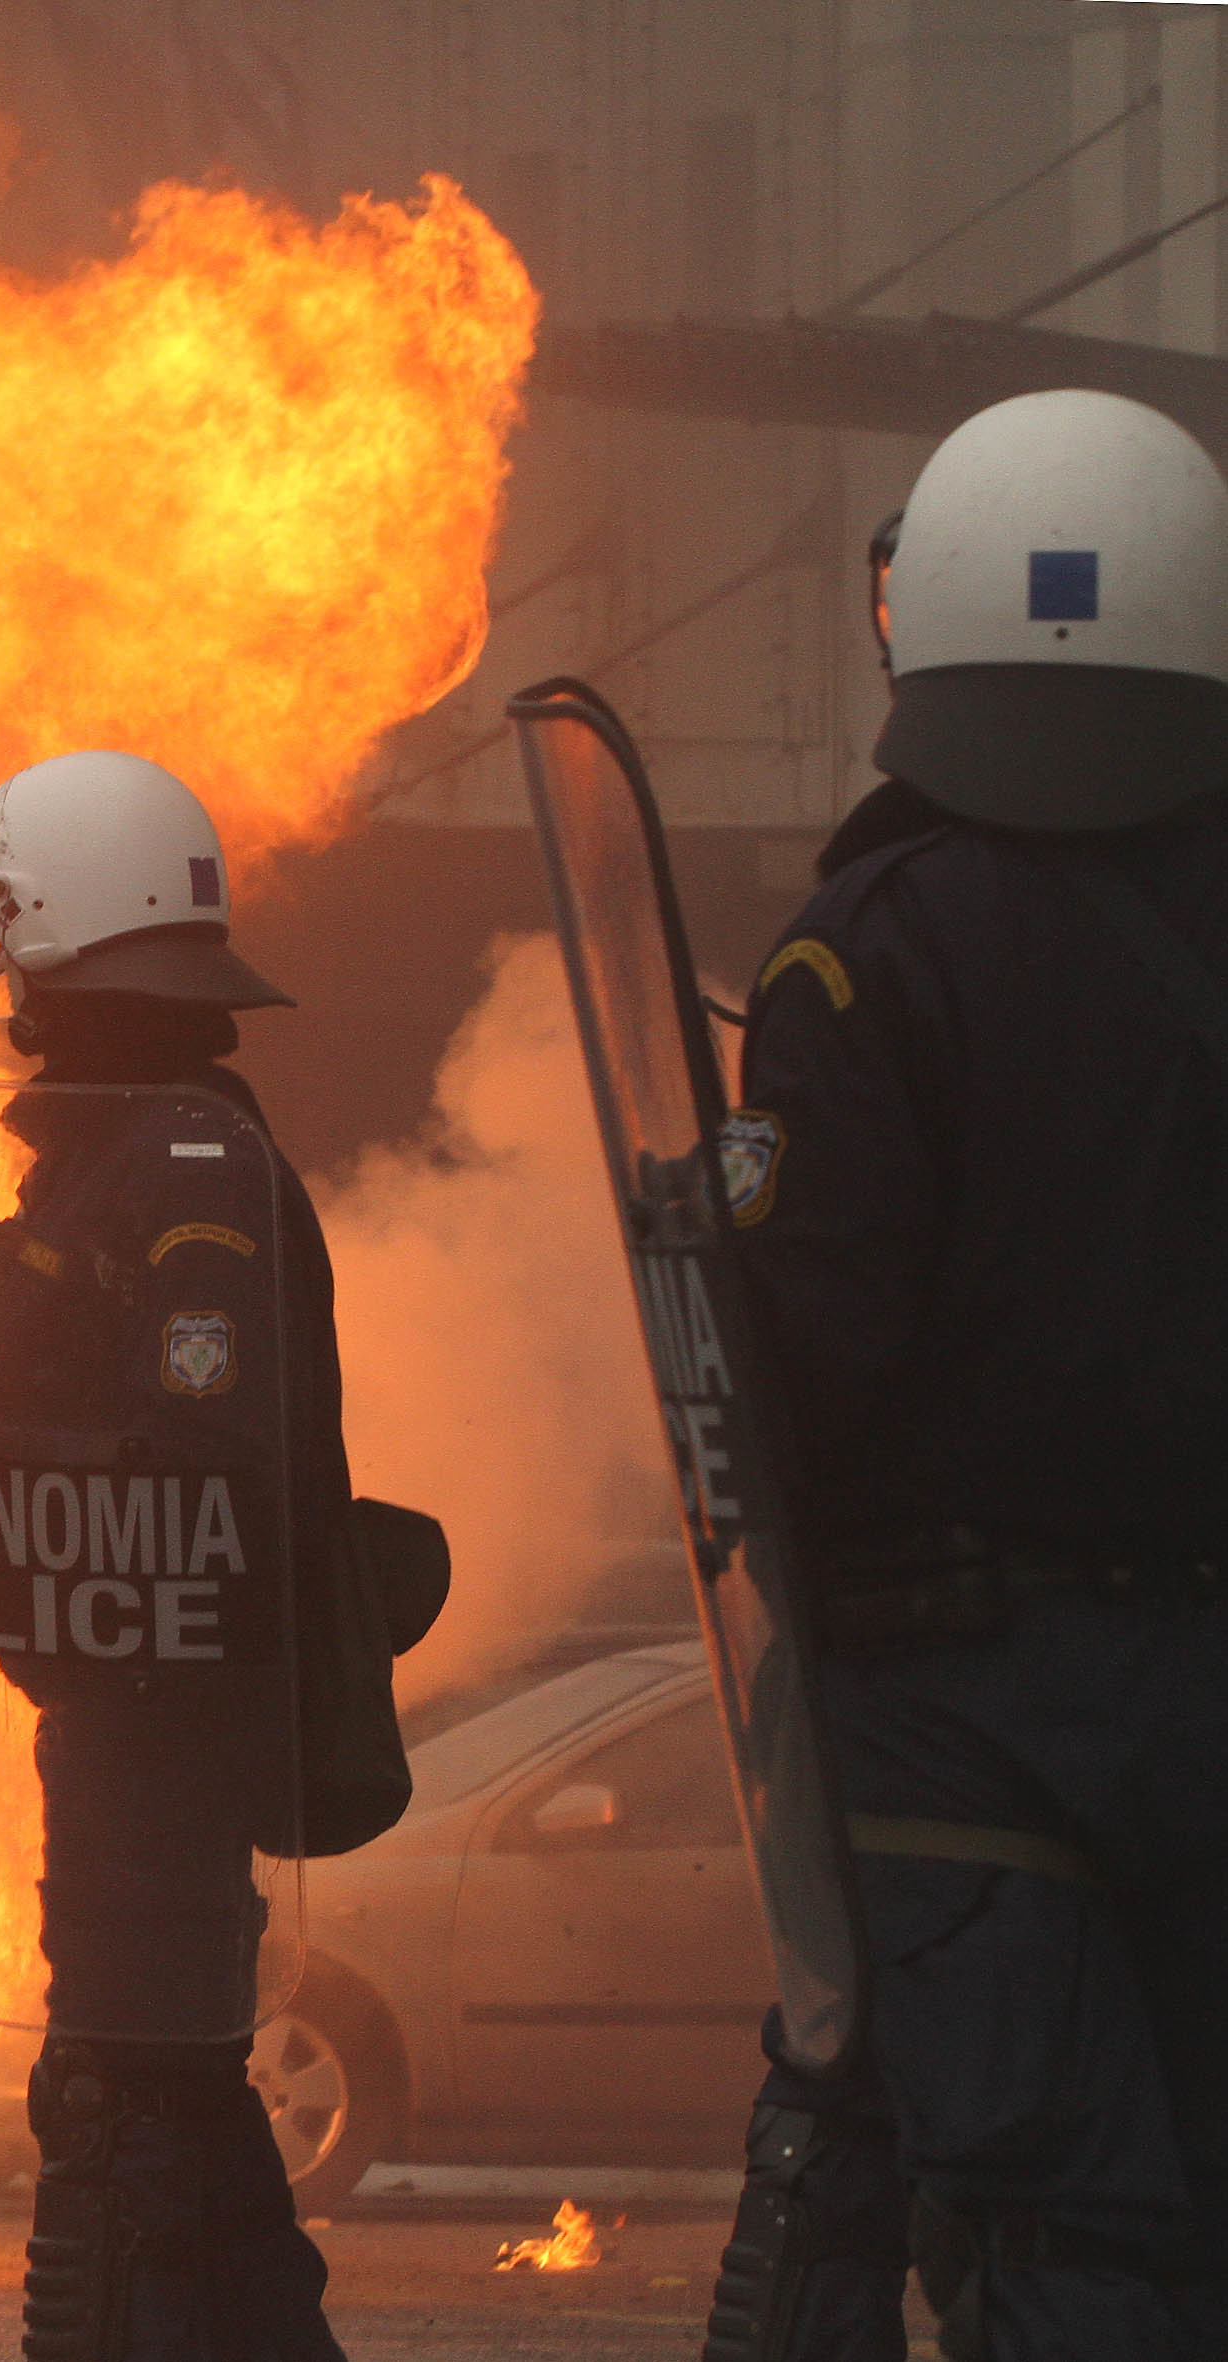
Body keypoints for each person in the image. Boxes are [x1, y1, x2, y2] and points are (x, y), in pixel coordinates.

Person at [706, 387, 1228, 2361]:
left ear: (915, 622)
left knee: (1049, 2229)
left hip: (960, 1715)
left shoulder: (867, 953)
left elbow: (797, 1370)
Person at [0, 751, 420, 2362]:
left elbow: (197, 1485)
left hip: (163, 1764)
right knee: (182, 2145)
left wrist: (1, 1481)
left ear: (62, 935)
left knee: (125, 2135)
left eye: (6, 943)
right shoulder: (126, 1155)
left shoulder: (189, 1172)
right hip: (125, 1744)